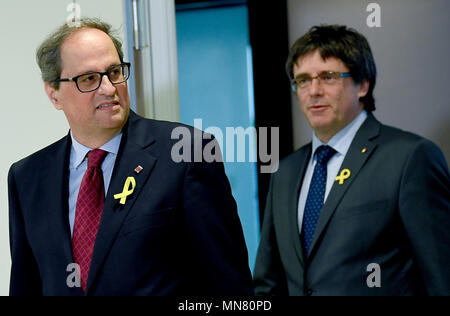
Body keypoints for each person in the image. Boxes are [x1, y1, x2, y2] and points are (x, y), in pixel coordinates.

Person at [8, 17, 253, 296]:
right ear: (54, 94)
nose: (109, 89)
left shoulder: (187, 153)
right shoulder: (26, 177)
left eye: (114, 72)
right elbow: (25, 285)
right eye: (89, 79)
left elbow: (230, 286)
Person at [253, 24, 450, 296]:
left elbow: (442, 277)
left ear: (363, 85)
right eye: (303, 80)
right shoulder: (284, 172)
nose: (314, 91)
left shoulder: (410, 158)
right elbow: (268, 283)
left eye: (328, 76)